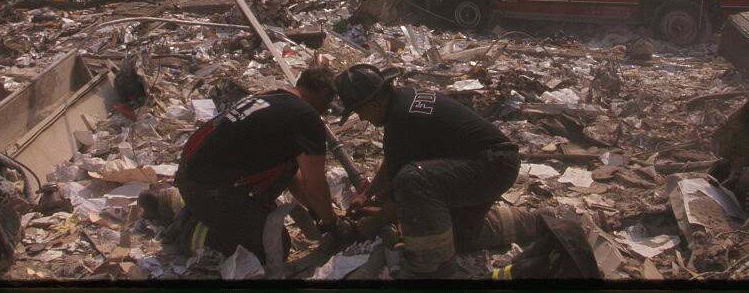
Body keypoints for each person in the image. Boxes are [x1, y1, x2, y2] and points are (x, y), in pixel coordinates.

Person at [335, 63, 530, 278]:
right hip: (492, 163)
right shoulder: (403, 99)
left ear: (372, 104)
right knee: (457, 236)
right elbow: (393, 162)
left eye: (359, 112)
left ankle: (433, 270)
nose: (362, 119)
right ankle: (537, 223)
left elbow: (401, 194)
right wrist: (366, 195)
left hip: (492, 166)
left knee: (412, 181)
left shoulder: (401, 119)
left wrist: (372, 224)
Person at [172, 65, 349, 265]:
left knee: (288, 165)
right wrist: (333, 225)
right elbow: (314, 185)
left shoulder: (271, 98)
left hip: (190, 175)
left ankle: (184, 205)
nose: (327, 109)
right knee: (273, 247)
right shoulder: (307, 117)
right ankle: (189, 230)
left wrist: (317, 212)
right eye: (329, 101)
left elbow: (291, 173)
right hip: (209, 190)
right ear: (325, 93)